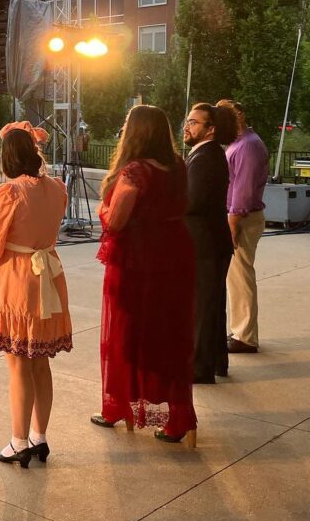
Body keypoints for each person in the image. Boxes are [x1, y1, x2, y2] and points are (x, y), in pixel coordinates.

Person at [92, 105, 198, 447]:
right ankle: (178, 417)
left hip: (139, 260)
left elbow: (116, 221)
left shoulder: (135, 171)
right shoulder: (178, 165)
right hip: (174, 256)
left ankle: (117, 406)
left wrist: (102, 209)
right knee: (170, 335)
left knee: (127, 333)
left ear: (135, 132)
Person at [0, 122, 71, 467]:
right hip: (48, 273)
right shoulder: (57, 188)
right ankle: (39, 437)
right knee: (40, 363)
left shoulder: (8, 193)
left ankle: (18, 442)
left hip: (18, 278)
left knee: (18, 364)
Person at [183, 103, 238, 383]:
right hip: (211, 242)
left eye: (194, 122)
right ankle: (217, 360)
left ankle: (200, 367)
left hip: (205, 243)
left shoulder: (206, 156)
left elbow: (193, 201)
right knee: (212, 303)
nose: (187, 127)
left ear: (210, 129)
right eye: (188, 121)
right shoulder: (207, 154)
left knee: (203, 306)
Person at [215, 99, 269, 355]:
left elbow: (243, 192)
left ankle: (245, 336)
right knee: (236, 276)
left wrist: (232, 223)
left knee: (240, 276)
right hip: (241, 217)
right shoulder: (243, 143)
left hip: (242, 219)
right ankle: (241, 330)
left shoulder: (247, 146)